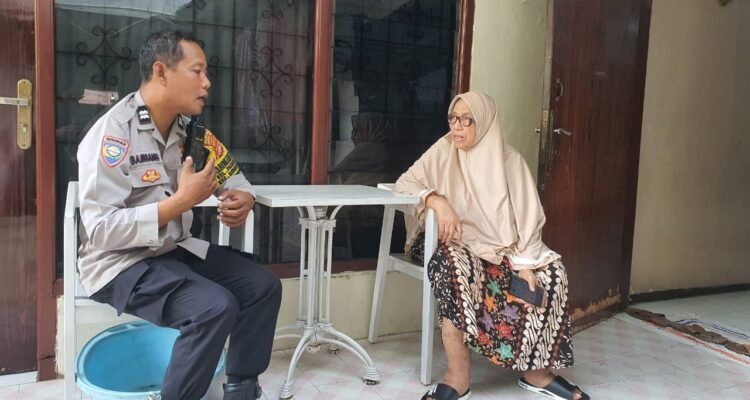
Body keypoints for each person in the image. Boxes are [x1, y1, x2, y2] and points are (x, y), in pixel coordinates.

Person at [76, 30, 281, 400]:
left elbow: (232, 175)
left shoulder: (192, 132)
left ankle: (241, 389)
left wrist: (244, 197)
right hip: (120, 264)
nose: (207, 83)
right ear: (161, 72)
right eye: (197, 71)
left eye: (206, 73)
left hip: (171, 251)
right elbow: (101, 231)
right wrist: (179, 203)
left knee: (262, 286)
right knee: (214, 308)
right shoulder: (113, 134)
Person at [395, 92, 589, 400]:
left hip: (503, 248)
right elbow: (404, 183)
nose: (457, 126)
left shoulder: (510, 161)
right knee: (453, 268)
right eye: (453, 118)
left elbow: (528, 218)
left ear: (484, 123)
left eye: (466, 120)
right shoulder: (443, 151)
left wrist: (525, 265)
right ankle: (457, 377)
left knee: (552, 273)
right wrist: (436, 200)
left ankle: (537, 373)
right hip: (455, 242)